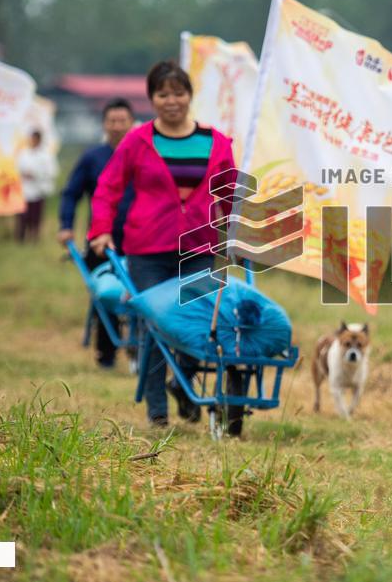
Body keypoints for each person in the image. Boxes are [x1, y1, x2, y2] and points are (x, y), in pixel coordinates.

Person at [89, 61, 236, 428]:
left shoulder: (215, 142)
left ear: (190, 96)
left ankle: (183, 383)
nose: (171, 101)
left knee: (198, 320)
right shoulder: (137, 141)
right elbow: (108, 188)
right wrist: (101, 230)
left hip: (200, 247)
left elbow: (230, 193)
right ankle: (157, 411)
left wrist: (238, 233)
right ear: (152, 98)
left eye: (179, 93)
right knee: (154, 325)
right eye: (163, 94)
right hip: (147, 250)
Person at [57, 97, 136, 369]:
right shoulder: (92, 158)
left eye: (122, 121)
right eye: (111, 121)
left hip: (138, 243)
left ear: (131, 123)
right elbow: (71, 194)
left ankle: (139, 351)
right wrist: (66, 226)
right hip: (102, 243)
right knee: (107, 295)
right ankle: (107, 354)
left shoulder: (143, 157)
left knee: (141, 296)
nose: (116, 126)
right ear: (104, 124)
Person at [15, 129, 57, 242]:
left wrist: (36, 174)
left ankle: (34, 237)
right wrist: (25, 174)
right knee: (22, 216)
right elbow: (17, 168)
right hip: (24, 190)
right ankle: (20, 237)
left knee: (36, 216)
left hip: (38, 190)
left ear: (39, 140)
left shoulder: (46, 155)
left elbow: (52, 171)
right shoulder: (24, 154)